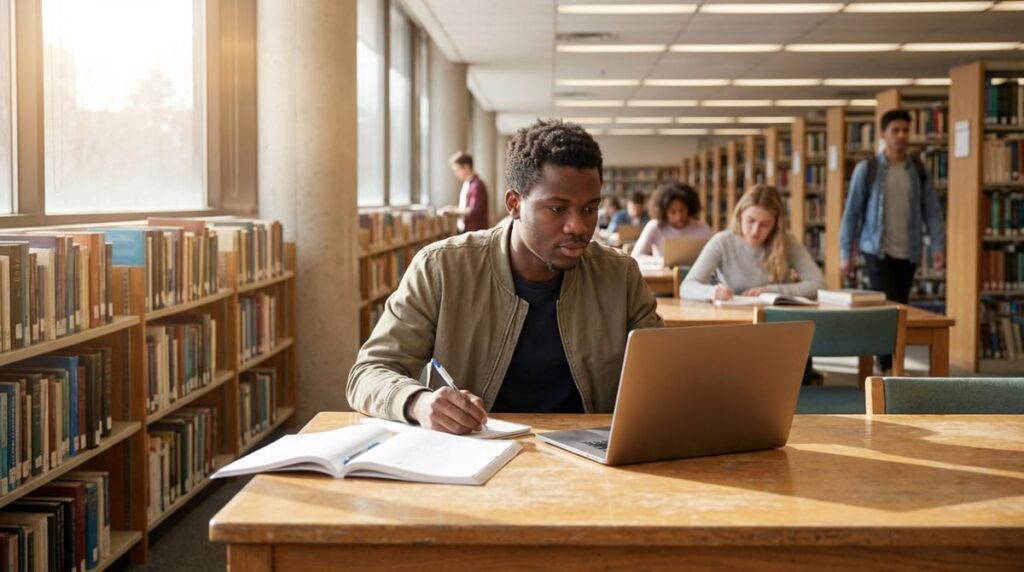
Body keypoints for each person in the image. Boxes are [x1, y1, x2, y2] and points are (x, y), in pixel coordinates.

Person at [347, 120, 664, 435]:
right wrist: (418, 402)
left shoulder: (619, 275)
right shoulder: (441, 268)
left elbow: (663, 377)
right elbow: (369, 373)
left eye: (590, 208)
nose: (578, 227)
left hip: (594, 459)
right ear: (514, 204)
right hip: (474, 456)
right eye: (557, 209)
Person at [839, 109, 946, 371]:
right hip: (876, 249)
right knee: (889, 307)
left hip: (908, 251)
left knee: (901, 306)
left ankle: (890, 359)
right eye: (895, 131)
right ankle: (886, 362)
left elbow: (932, 210)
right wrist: (845, 253)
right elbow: (852, 212)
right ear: (883, 134)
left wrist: (938, 246)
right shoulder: (869, 169)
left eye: (905, 131)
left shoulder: (918, 170)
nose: (901, 136)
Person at [681, 185, 825, 302]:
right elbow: (686, 287)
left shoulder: (787, 241)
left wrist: (771, 290)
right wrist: (711, 292)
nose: (755, 230)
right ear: (740, 216)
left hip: (776, 319)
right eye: (750, 221)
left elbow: (819, 284)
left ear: (776, 224)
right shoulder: (722, 242)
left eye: (765, 224)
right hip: (733, 318)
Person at [630, 183, 712, 258]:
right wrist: (661, 261)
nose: (679, 216)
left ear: (689, 208)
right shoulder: (655, 227)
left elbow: (711, 258)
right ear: (664, 211)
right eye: (673, 212)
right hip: (663, 273)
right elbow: (636, 256)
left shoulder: (702, 229)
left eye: (682, 210)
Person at [440, 151, 489, 233]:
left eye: (457, 170)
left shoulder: (477, 185)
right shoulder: (467, 184)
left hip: (474, 232)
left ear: (466, 167)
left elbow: (475, 211)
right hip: (467, 230)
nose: (456, 174)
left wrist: (453, 210)